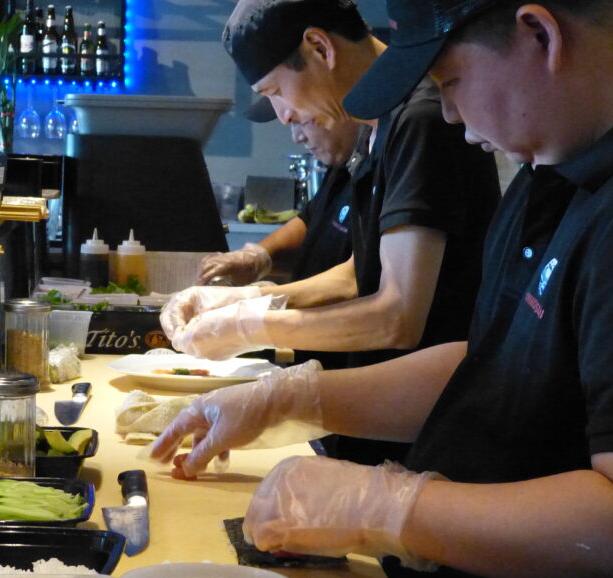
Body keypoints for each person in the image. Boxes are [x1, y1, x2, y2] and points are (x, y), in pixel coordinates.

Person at [152, 0, 613, 578]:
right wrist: (288, 397)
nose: (464, 129)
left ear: (541, 33)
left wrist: (394, 504)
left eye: (455, 81)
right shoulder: (560, 168)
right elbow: (489, 367)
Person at [162, 0, 500, 373]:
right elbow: (358, 273)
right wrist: (249, 299)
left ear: (320, 48)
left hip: (424, 412)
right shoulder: (374, 125)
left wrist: (253, 327)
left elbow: (397, 316)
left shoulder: (420, 118)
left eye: (274, 90)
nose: (283, 115)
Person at [197, 108, 360, 287]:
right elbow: (310, 222)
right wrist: (257, 256)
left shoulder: (382, 163)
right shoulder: (342, 163)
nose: (297, 137)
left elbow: (351, 284)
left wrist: (262, 297)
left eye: (300, 120)